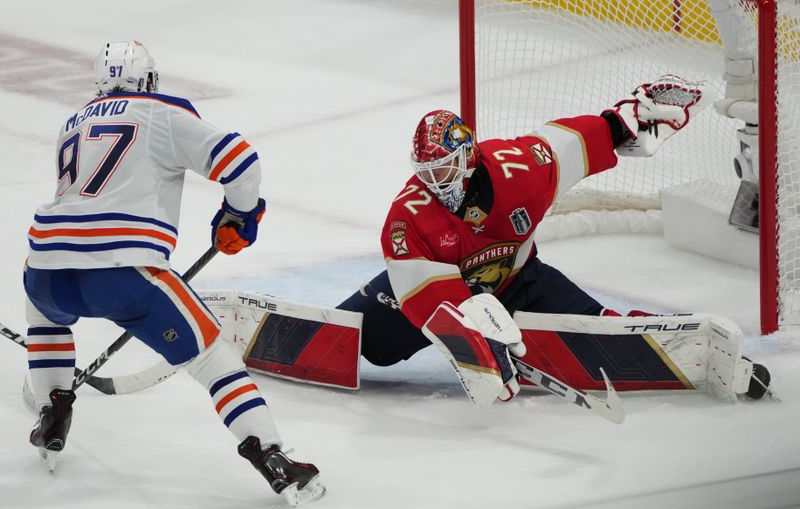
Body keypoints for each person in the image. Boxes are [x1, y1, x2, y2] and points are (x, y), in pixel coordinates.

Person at [337, 75, 767, 403]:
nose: (435, 181)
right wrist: (477, 351)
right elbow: (433, 303)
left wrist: (627, 122)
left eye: (445, 168)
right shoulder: (407, 219)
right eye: (426, 171)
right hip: (446, 292)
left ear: (468, 156)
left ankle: (696, 353)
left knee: (601, 332)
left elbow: (575, 142)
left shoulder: (520, 168)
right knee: (373, 346)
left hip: (522, 281)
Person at [24, 41, 324, 506]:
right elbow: (241, 160)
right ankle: (271, 456)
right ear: (149, 80)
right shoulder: (159, 111)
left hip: (46, 267)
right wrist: (239, 215)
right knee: (210, 354)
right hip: (124, 273)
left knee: (45, 319)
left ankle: (52, 411)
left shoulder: (73, 121)